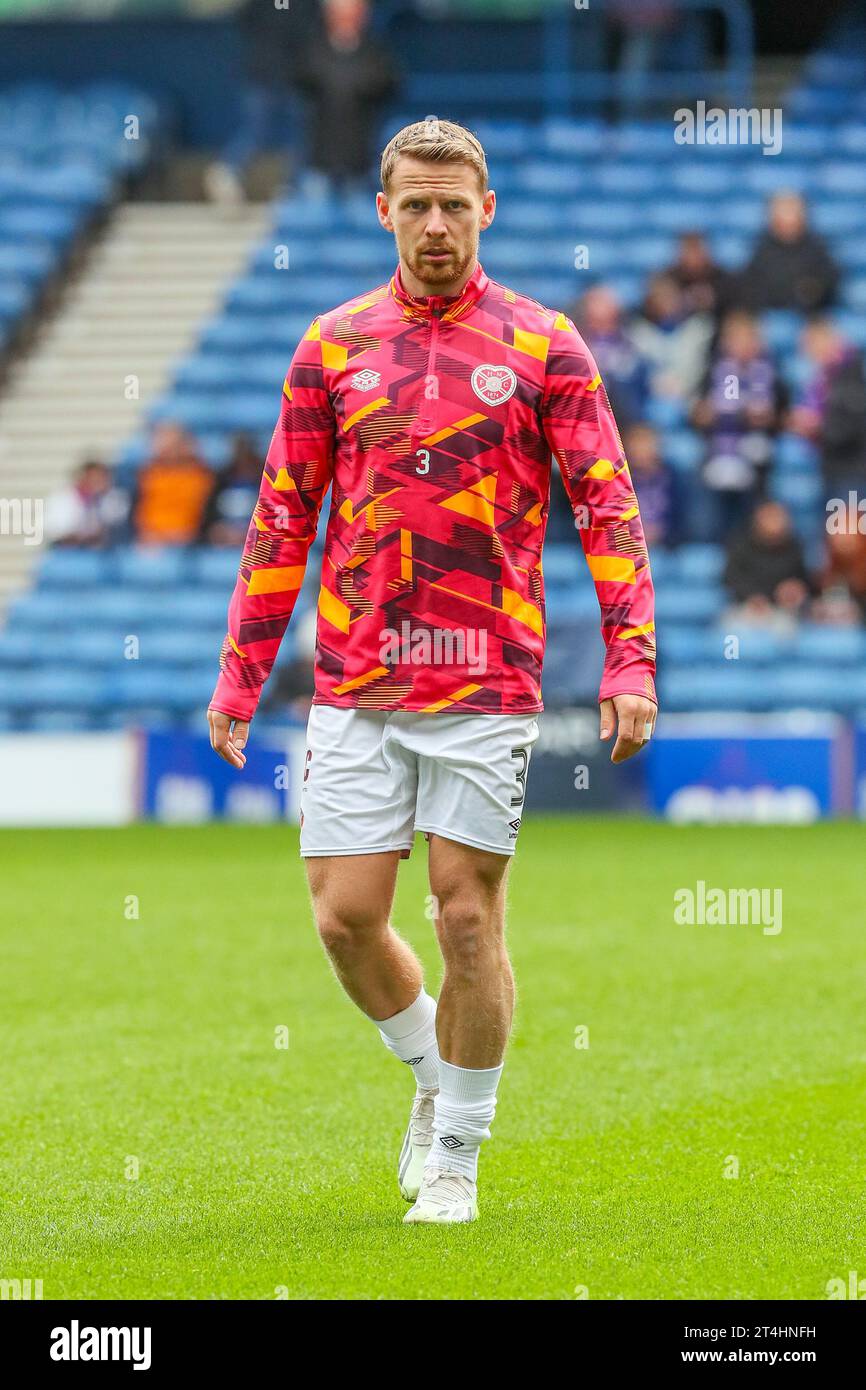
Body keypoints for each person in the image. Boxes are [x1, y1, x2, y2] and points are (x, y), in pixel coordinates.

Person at [207, 118, 658, 1225]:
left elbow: (606, 502)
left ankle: (456, 1151)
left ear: (487, 210)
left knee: (464, 915)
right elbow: (279, 521)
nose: (435, 223)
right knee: (345, 920)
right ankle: (430, 1073)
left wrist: (629, 657)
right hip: (358, 679)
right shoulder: (328, 347)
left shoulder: (545, 344)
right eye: (414, 204)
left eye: (454, 204)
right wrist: (237, 679)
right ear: (383, 211)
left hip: (484, 675)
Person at [205, 0, 320, 207]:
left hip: (295, 77)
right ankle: (229, 169)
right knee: (259, 129)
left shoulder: (307, 6)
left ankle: (292, 187)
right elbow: (247, 20)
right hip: (265, 74)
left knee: (303, 133)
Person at [291, 0, 400, 200]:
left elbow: (389, 84)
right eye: (341, 13)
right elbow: (303, 80)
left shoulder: (375, 51)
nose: (347, 19)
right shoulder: (313, 48)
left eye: (353, 13)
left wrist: (357, 85)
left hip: (360, 158)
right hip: (319, 157)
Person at [692, 311, 785, 536]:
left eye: (747, 339)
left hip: (760, 455)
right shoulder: (713, 372)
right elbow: (696, 413)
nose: (742, 346)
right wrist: (710, 413)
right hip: (719, 450)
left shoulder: (771, 372)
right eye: (736, 340)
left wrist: (767, 418)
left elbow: (784, 414)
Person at [788, 318, 866, 501]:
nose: (808, 352)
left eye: (810, 344)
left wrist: (817, 427)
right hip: (834, 466)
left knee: (847, 526)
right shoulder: (825, 377)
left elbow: (854, 424)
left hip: (853, 469)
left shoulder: (853, 373)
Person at [735, 192, 839, 314]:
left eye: (792, 213)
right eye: (782, 215)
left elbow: (827, 281)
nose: (788, 221)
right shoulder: (759, 249)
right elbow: (751, 286)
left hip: (810, 315)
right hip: (766, 315)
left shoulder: (818, 248)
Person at [628, 271, 713, 403]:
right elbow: (637, 374)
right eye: (659, 297)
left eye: (670, 296)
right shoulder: (637, 333)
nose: (665, 303)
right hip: (650, 400)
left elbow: (703, 369)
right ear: (649, 301)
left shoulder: (699, 329)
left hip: (690, 399)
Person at [574, 284, 651, 428]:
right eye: (596, 301)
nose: (601, 307)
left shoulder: (629, 338)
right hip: (588, 405)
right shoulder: (575, 338)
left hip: (624, 407)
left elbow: (637, 371)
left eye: (606, 301)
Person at [723, 500, 812, 623]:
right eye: (769, 517)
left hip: (781, 610)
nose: (775, 522)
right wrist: (752, 597)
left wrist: (795, 589)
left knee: (786, 626)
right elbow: (731, 578)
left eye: (778, 517)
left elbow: (802, 580)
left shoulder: (795, 548)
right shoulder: (741, 547)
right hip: (745, 606)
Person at [132, 424, 213, 546]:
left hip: (187, 540)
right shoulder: (147, 475)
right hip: (151, 539)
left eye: (172, 444)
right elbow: (139, 513)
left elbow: (202, 514)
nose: (165, 449)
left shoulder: (199, 477)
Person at [45, 459, 128, 548]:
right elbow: (55, 529)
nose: (99, 482)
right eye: (95, 477)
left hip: (101, 553)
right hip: (66, 551)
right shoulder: (61, 499)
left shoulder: (113, 499)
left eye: (103, 477)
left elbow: (115, 522)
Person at [199, 435, 264, 547]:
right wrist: (217, 529)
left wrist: (250, 531)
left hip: (257, 534)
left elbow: (273, 514)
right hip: (225, 535)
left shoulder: (265, 480)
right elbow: (208, 516)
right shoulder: (221, 480)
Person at [623, 422, 679, 548]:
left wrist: (663, 533)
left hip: (667, 545)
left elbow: (682, 516)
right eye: (636, 444)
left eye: (645, 443)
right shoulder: (618, 479)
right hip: (626, 544)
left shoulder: (673, 478)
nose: (640, 449)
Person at [664, 231, 732, 319]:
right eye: (688, 251)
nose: (692, 258)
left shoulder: (723, 279)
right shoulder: (668, 280)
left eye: (696, 251)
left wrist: (713, 299)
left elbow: (735, 308)